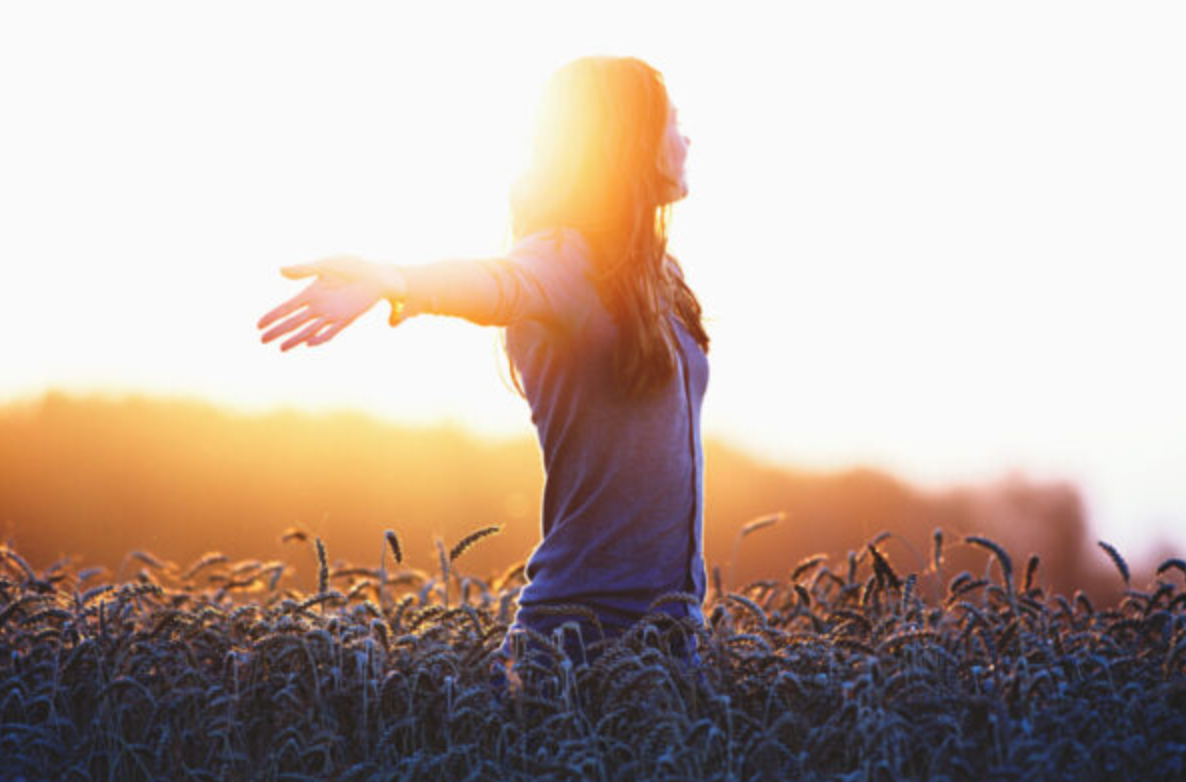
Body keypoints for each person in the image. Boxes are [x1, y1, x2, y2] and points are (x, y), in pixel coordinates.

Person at [257, 56, 709, 681]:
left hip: (673, 641)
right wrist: (396, 279)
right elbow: (500, 284)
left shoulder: (661, 277)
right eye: (672, 122)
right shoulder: (566, 259)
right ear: (628, 139)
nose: (687, 138)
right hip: (577, 645)